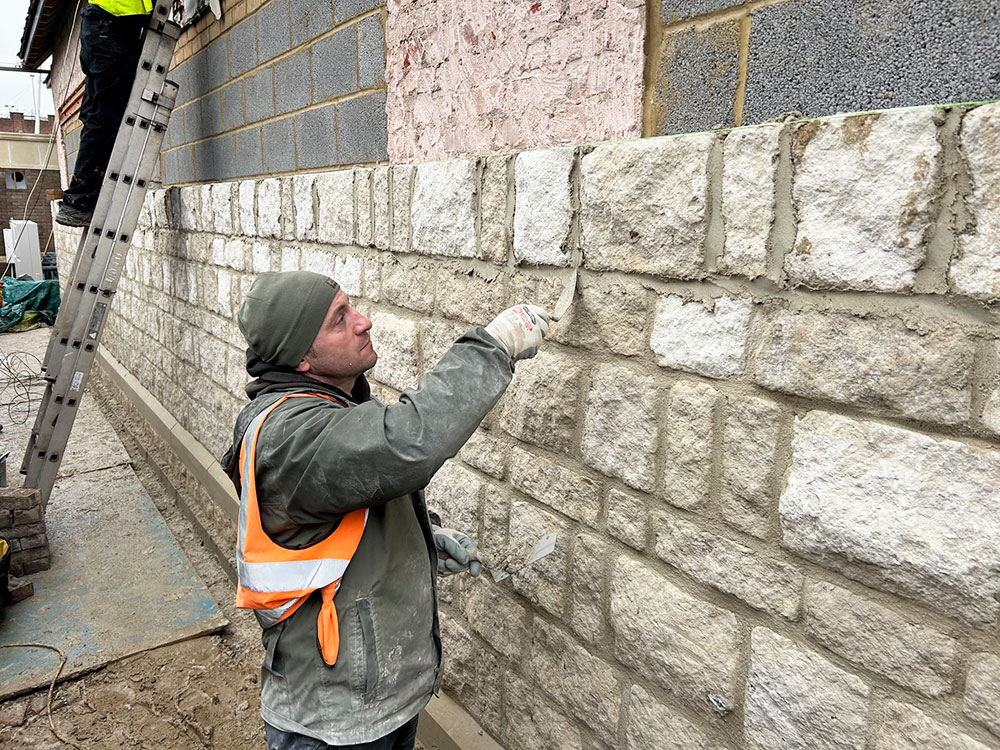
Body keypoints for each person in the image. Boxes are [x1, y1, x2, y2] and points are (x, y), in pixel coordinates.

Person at [221, 270, 552, 750]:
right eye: (340, 320)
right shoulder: (289, 435)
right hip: (333, 722)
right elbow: (404, 445)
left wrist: (421, 541)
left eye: (351, 307)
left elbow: (343, 520)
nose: (364, 321)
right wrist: (492, 346)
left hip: (375, 702)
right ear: (301, 359)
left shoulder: (325, 408)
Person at [55, 0, 152, 227]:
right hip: (110, 27)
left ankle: (82, 198)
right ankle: (79, 201)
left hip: (101, 28)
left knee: (96, 117)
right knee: (104, 119)